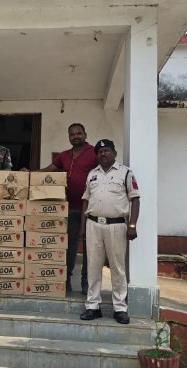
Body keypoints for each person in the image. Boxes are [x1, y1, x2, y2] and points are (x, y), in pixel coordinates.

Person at [79, 139, 140, 325]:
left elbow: (135, 199)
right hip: (93, 225)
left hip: (117, 226)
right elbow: (85, 201)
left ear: (114, 153)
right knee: (93, 266)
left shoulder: (126, 173)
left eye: (106, 150)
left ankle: (120, 308)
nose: (103, 154)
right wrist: (82, 227)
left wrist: (132, 225)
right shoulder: (92, 174)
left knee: (117, 267)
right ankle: (92, 306)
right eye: (100, 151)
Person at [41, 123, 97, 295]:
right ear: (69, 137)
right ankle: (66, 281)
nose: (76, 136)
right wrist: (28, 174)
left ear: (85, 135)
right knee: (69, 247)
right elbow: (48, 171)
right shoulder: (64, 156)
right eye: (72, 134)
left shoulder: (94, 153)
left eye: (79, 133)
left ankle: (86, 283)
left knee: (90, 248)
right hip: (70, 208)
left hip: (91, 209)